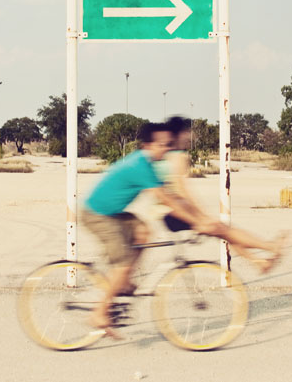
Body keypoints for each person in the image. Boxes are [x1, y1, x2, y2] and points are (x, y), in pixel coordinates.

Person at [81, 122, 215, 335]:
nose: (167, 148)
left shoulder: (147, 164)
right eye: (162, 144)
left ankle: (123, 281)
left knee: (143, 231)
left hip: (113, 212)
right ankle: (99, 312)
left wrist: (194, 216)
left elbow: (170, 196)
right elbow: (166, 200)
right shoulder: (140, 166)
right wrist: (197, 222)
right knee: (123, 263)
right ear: (147, 145)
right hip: (97, 214)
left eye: (169, 144)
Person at [158, 116, 290, 274]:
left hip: (170, 212)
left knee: (224, 231)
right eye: (187, 132)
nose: (190, 136)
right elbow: (183, 191)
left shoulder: (164, 155)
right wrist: (202, 216)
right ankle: (269, 247)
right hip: (178, 212)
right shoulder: (179, 156)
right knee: (223, 229)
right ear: (178, 134)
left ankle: (258, 261)